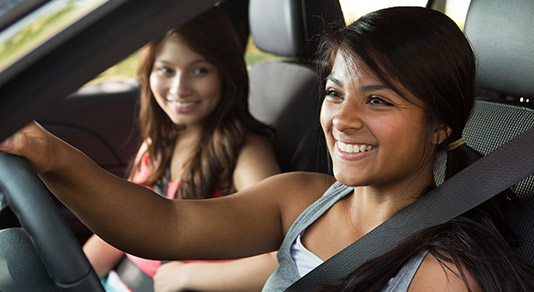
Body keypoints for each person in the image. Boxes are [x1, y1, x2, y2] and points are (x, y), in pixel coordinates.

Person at [2, 6, 534, 292]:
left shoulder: (440, 274)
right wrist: (51, 154)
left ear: (440, 124)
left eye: (378, 100)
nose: (342, 120)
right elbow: (167, 226)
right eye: (334, 92)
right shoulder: (302, 197)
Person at [81, 7, 280, 292]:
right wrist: (74, 277)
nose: (180, 87)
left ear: (226, 74)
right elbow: (121, 222)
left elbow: (281, 260)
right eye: (166, 70)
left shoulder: (245, 151)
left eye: (200, 70)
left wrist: (188, 276)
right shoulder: (160, 141)